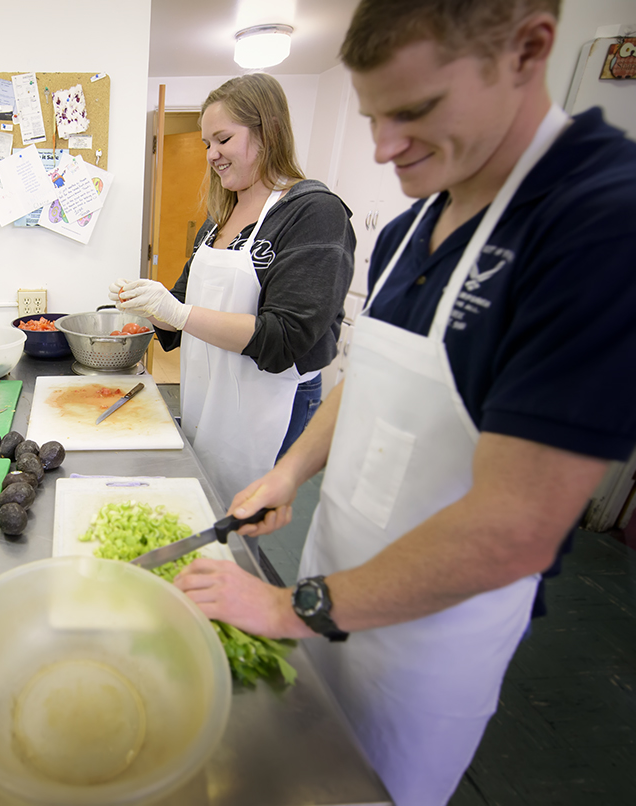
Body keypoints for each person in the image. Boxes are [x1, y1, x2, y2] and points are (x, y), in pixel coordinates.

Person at [172, 2, 636, 804]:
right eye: (374, 117)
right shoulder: (412, 223)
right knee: (307, 764)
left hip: (425, 636)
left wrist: (293, 606)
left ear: (529, 50)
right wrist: (291, 473)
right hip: (334, 556)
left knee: (376, 784)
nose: (385, 150)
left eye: (416, 111)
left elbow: (516, 529)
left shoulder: (596, 227)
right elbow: (370, 378)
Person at [109, 73, 355, 503]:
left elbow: (285, 338)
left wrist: (178, 313)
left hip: (268, 403)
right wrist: (148, 305)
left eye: (222, 139)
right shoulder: (220, 217)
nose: (211, 155)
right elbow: (183, 305)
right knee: (202, 500)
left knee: (241, 516)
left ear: (268, 130)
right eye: (206, 143)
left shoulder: (314, 212)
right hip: (211, 392)